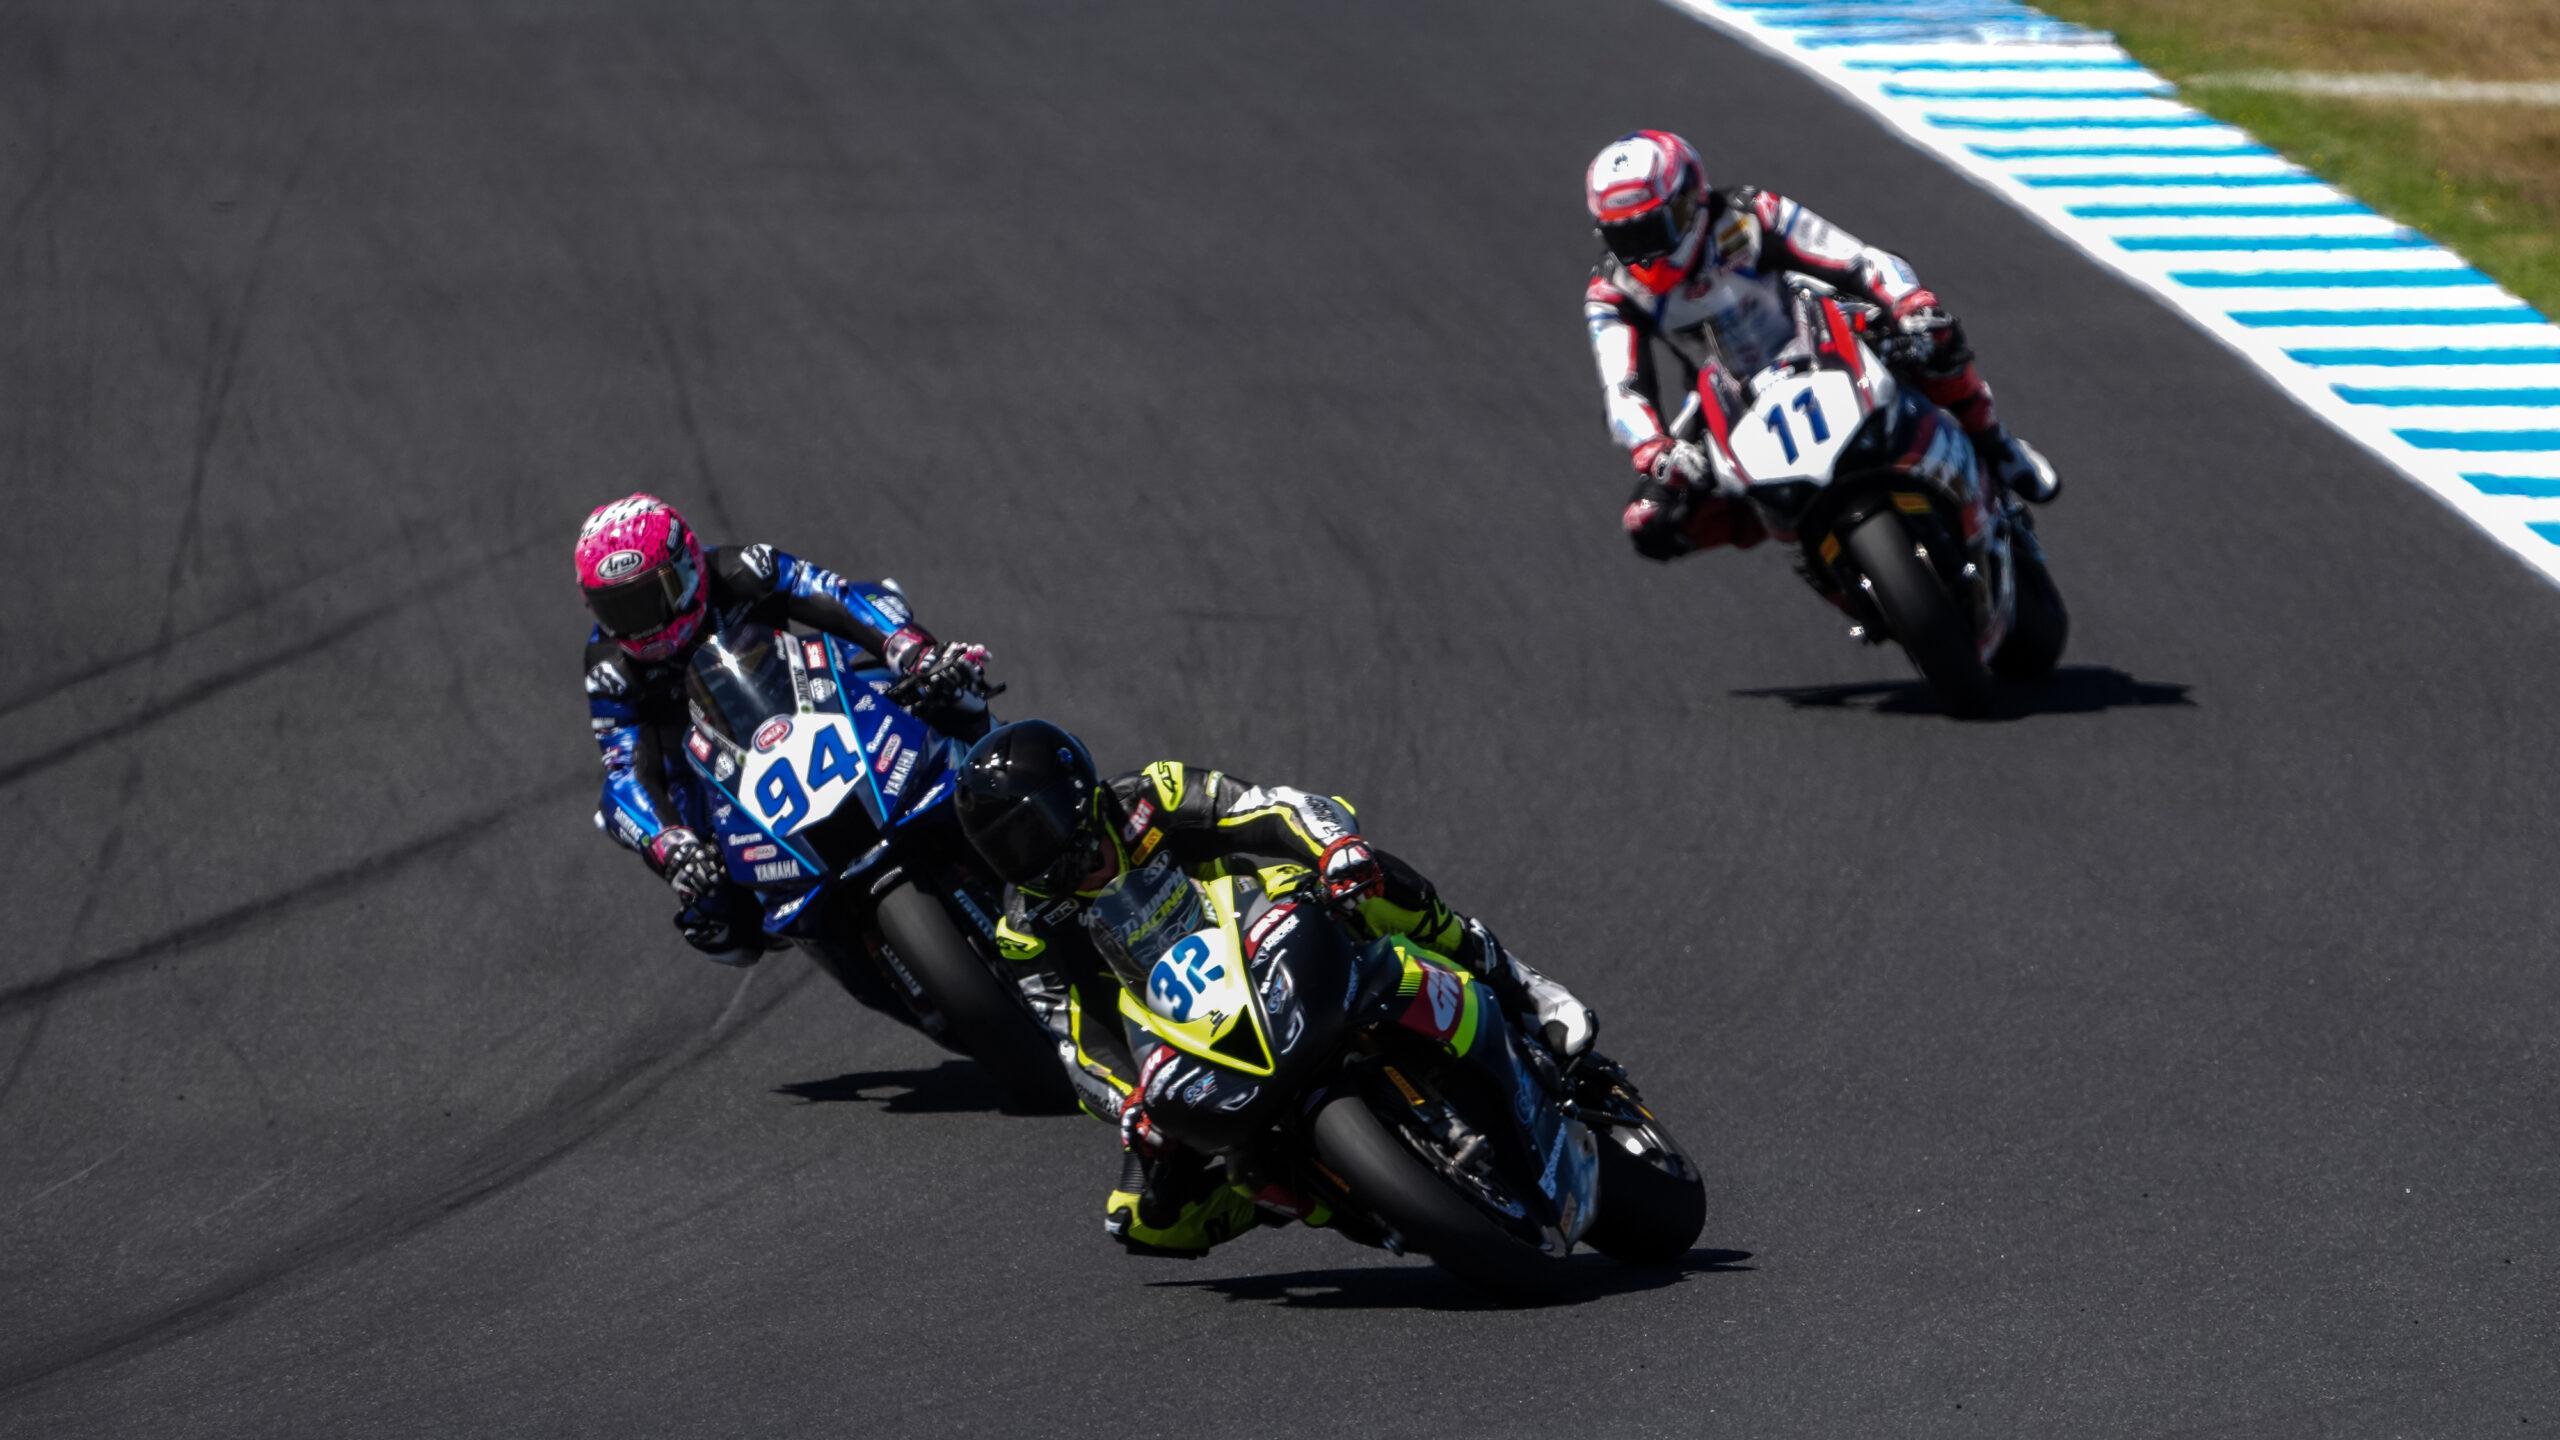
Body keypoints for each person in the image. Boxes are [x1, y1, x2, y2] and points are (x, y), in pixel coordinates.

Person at [950, 718, 1596, 1258]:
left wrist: (1336, 848)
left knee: (1368, 885)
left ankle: (1515, 980)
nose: (1031, 856)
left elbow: (1272, 807)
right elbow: (1074, 1041)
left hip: (1263, 927)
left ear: (1077, 797)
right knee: (1141, 1219)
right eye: (1007, 848)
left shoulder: (1152, 795)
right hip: (1184, 1030)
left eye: (1034, 829)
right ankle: (1322, 1191)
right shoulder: (1024, 928)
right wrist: (1130, 1105)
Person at [1583, 129, 2061, 562]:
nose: (1644, 252)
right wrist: (1654, 449)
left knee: (1932, 333)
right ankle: (1793, 530)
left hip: (1817, 329)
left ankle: (1994, 442)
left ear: (1690, 200)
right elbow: (1622, 390)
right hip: (1722, 393)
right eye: (1625, 238)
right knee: (1650, 523)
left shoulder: (1750, 214)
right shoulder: (1612, 292)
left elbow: (1857, 258)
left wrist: (1909, 303)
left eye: (1654, 228)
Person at [576, 492, 992, 963]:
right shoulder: (608, 669)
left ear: (688, 569)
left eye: (651, 598)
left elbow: (836, 595)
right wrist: (669, 845)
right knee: (721, 926)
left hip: (814, 699)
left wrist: (913, 652)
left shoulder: (746, 569)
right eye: (619, 611)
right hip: (717, 771)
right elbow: (624, 773)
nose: (641, 625)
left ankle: (1012, 798)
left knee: (954, 692)